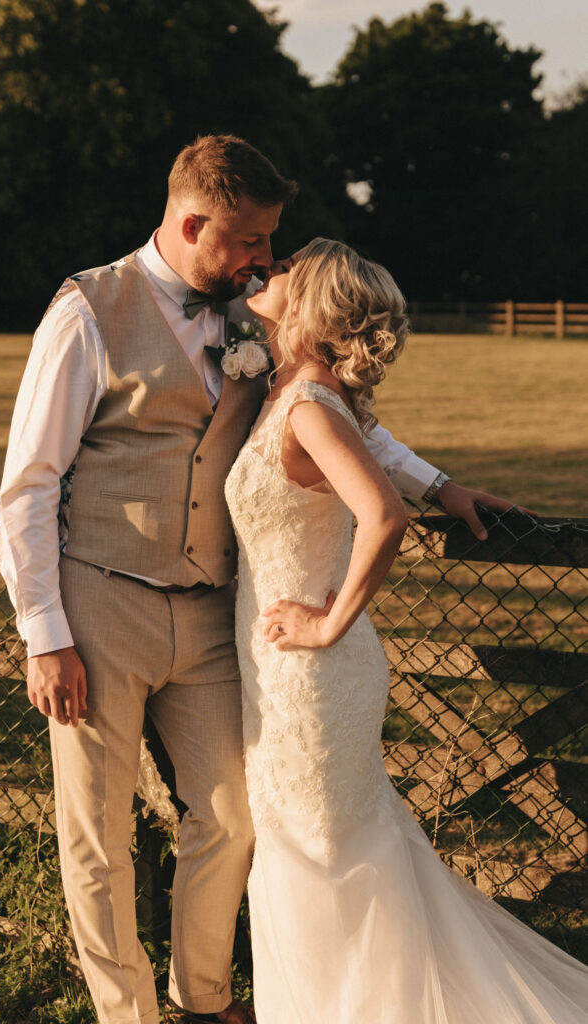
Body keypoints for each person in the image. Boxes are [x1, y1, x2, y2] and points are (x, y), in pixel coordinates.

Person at [0, 134, 522, 1024]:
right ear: (194, 221)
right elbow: (29, 483)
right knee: (98, 837)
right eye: (249, 242)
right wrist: (45, 635)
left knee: (232, 820)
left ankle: (201, 1003)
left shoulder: (254, 320)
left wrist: (438, 486)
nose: (265, 261)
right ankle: (127, 1016)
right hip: (99, 606)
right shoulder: (87, 311)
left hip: (213, 615)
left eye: (269, 245)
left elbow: (331, 418)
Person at [225, 237, 588, 1024]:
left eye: (283, 266)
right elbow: (376, 459)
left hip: (311, 670)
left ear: (309, 301)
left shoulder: (311, 405)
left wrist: (325, 629)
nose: (267, 270)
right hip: (276, 668)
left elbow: (381, 519)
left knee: (322, 856)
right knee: (311, 849)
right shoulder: (295, 388)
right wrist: (445, 485)